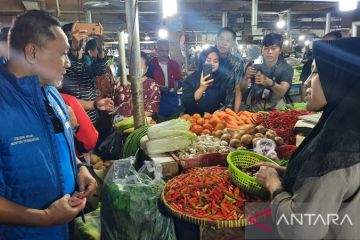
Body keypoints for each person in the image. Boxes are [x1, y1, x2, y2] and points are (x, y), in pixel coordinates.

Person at [0, 10, 97, 240]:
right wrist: (42, 216)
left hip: (61, 231)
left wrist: (80, 168)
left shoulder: (52, 95)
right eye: (63, 53)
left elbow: (57, 147)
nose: (68, 63)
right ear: (32, 52)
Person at [250, 37, 360, 239]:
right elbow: (335, 188)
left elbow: (300, 231)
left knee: (254, 227)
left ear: (341, 79)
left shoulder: (334, 151)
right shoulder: (348, 129)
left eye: (316, 72)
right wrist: (288, 171)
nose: (307, 82)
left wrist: (274, 185)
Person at [60, 23, 114, 124]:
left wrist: (100, 46)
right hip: (75, 118)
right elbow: (74, 67)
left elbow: (100, 70)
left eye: (79, 34)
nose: (75, 38)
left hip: (92, 116)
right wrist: (74, 48)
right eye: (70, 36)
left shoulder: (86, 60)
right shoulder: (63, 61)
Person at [238, 33, 293, 112]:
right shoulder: (255, 66)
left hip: (276, 111)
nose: (269, 52)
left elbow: (282, 92)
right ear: (262, 49)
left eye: (273, 48)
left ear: (280, 50)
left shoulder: (286, 68)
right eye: (266, 48)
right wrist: (246, 77)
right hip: (255, 110)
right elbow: (242, 89)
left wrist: (270, 83)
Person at [181, 47, 228, 115]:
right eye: (208, 60)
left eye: (215, 61)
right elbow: (186, 103)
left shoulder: (221, 80)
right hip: (194, 120)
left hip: (213, 121)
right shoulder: (191, 79)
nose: (212, 63)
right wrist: (201, 89)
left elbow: (224, 102)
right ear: (202, 62)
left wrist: (220, 110)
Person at [117, 51, 160, 118]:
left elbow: (151, 110)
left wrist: (128, 120)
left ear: (146, 69)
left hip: (143, 126)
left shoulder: (152, 85)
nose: (136, 68)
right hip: (119, 125)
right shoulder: (119, 82)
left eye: (140, 65)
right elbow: (112, 104)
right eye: (133, 64)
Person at [151, 39, 183, 122]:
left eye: (166, 51)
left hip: (172, 106)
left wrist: (178, 84)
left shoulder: (174, 65)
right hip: (156, 107)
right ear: (156, 50)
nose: (164, 54)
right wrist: (158, 88)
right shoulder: (151, 65)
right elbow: (146, 83)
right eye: (161, 51)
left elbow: (180, 80)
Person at [216, 27, 245, 110]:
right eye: (221, 39)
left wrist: (235, 113)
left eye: (228, 41)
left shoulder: (237, 63)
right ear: (216, 40)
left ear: (232, 44)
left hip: (227, 109)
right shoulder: (209, 59)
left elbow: (238, 89)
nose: (223, 43)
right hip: (208, 108)